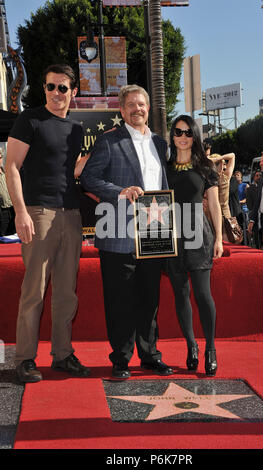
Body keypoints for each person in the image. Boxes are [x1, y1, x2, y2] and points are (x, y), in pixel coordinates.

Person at [80, 84, 173, 380]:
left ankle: (150, 356)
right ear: (121, 110)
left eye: (141, 104)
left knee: (149, 298)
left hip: (154, 229)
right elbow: (89, 179)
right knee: (119, 300)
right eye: (131, 105)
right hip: (118, 230)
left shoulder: (160, 143)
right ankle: (120, 359)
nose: (138, 109)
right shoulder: (109, 141)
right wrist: (120, 191)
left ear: (148, 108)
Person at [5, 64, 90, 383]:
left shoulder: (76, 130)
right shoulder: (30, 119)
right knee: (34, 290)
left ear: (73, 92)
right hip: (38, 213)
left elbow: (68, 172)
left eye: (63, 88)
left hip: (71, 215)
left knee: (67, 291)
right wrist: (21, 212)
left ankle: (63, 354)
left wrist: (98, 155)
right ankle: (25, 358)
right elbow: (11, 165)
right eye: (51, 87)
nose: (56, 93)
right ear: (44, 89)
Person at [166, 115, 223, 376]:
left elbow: (214, 205)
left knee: (202, 294)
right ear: (172, 135)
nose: (183, 136)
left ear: (195, 136)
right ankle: (191, 346)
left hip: (198, 234)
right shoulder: (163, 167)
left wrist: (220, 238)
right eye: (178, 132)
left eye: (188, 132)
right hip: (171, 236)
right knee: (180, 294)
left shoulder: (205, 167)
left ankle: (210, 348)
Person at [208, 152, 235, 242]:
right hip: (225, 215)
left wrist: (216, 159)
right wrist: (220, 157)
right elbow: (232, 156)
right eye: (222, 164)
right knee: (227, 244)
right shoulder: (226, 177)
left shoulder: (206, 180)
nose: (224, 166)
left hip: (211, 215)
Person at [0, 150, 15, 236]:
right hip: (2, 212)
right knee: (2, 236)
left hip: (12, 210)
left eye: (0, 157)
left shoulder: (6, 172)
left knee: (12, 235)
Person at [246, 170, 263, 248]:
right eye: (257, 175)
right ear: (253, 177)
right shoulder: (250, 189)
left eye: (260, 175)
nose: (259, 177)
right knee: (257, 239)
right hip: (255, 216)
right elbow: (249, 205)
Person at [234, 170, 249, 245]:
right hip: (236, 209)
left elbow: (248, 197)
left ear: (241, 177)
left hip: (243, 208)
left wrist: (241, 201)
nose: (236, 176)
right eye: (235, 175)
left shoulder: (245, 185)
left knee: (245, 226)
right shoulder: (233, 186)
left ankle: (247, 242)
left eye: (238, 175)